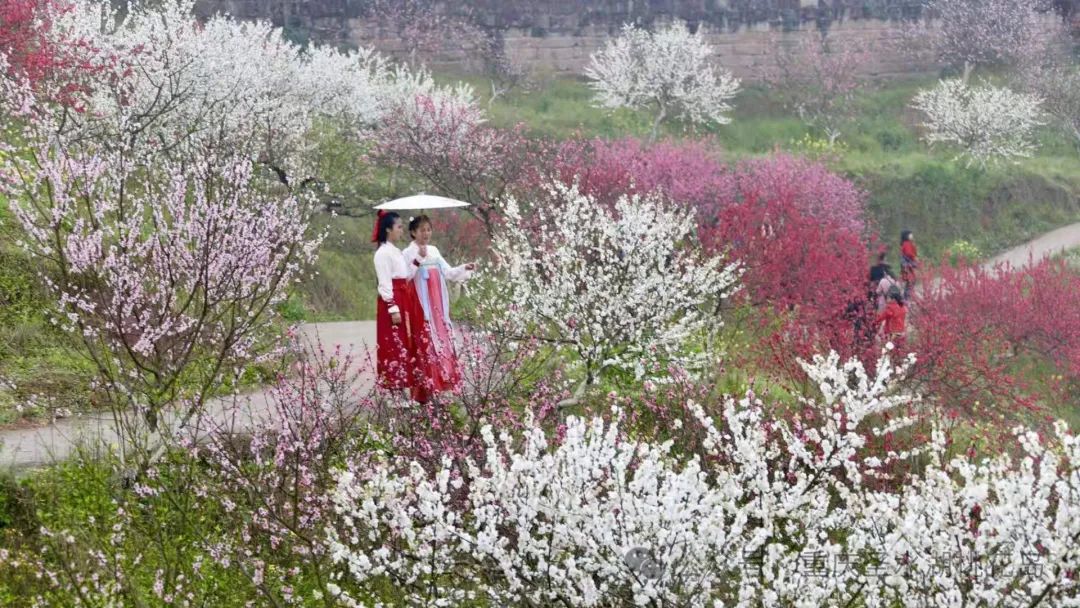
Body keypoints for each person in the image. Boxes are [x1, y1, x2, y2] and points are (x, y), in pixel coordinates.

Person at [402, 215, 477, 393]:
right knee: (425, 338)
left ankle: (443, 381)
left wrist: (464, 268)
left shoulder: (434, 250)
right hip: (420, 304)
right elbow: (405, 277)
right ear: (413, 232)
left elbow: (448, 272)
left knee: (442, 337)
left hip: (438, 305)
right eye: (422, 230)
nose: (426, 233)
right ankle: (425, 386)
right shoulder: (407, 253)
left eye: (428, 229)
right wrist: (418, 260)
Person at [373, 210, 431, 404]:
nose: (401, 230)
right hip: (393, 300)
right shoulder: (382, 253)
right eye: (398, 227)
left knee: (403, 343)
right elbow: (384, 283)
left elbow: (405, 276)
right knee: (392, 344)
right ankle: (393, 393)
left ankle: (401, 389)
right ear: (388, 229)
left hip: (402, 295)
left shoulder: (395, 251)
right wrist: (392, 307)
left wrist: (418, 259)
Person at [900, 230, 918, 300]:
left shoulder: (905, 243)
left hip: (905, 265)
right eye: (910, 234)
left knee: (909, 281)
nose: (912, 235)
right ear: (907, 236)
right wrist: (915, 258)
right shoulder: (907, 243)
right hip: (908, 264)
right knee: (911, 280)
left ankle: (906, 297)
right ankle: (907, 297)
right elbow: (908, 253)